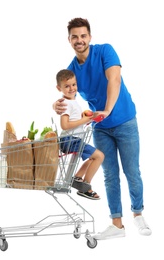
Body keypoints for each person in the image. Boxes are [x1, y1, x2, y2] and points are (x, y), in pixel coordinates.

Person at [53, 17, 152, 239]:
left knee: (132, 171)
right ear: (69, 40)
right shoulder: (72, 69)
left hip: (124, 120)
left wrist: (106, 110)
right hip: (99, 128)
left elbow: (114, 80)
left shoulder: (105, 51)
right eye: (75, 37)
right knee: (109, 174)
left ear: (89, 36)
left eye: (83, 35)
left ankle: (138, 215)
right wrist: (57, 102)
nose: (79, 40)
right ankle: (117, 224)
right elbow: (67, 92)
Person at [56, 69, 104, 200]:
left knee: (92, 157)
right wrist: (84, 120)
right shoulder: (65, 103)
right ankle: (85, 187)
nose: (71, 88)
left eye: (74, 84)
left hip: (73, 139)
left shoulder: (73, 101)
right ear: (59, 88)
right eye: (67, 86)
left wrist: (86, 118)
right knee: (99, 156)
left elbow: (74, 121)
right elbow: (65, 125)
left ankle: (77, 178)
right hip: (69, 140)